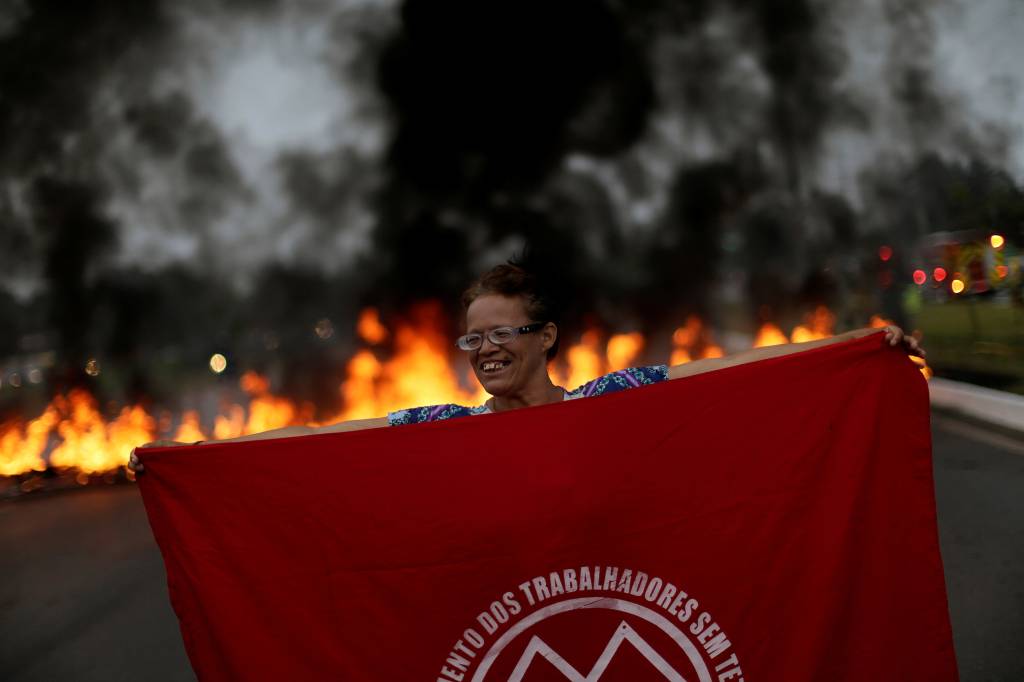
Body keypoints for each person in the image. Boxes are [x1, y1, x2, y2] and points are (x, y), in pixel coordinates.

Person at [129, 263, 924, 472]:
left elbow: (727, 374)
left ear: (545, 338)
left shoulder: (611, 400)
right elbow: (331, 434)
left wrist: (851, 349)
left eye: (502, 335)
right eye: (472, 341)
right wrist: (201, 457)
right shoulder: (442, 430)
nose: (485, 353)